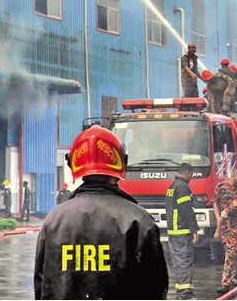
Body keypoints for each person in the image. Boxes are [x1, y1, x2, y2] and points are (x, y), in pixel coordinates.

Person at [34, 125, 168, 300]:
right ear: (121, 162)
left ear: (74, 164)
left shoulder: (53, 220)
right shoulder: (138, 220)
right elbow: (156, 287)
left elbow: (41, 283)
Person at [166, 162, 200, 299]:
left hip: (173, 231)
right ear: (187, 172)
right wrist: (194, 229)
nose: (191, 177)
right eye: (191, 175)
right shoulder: (183, 187)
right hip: (181, 230)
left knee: (179, 263)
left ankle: (182, 292)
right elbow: (186, 210)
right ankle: (185, 294)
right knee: (184, 262)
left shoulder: (172, 187)